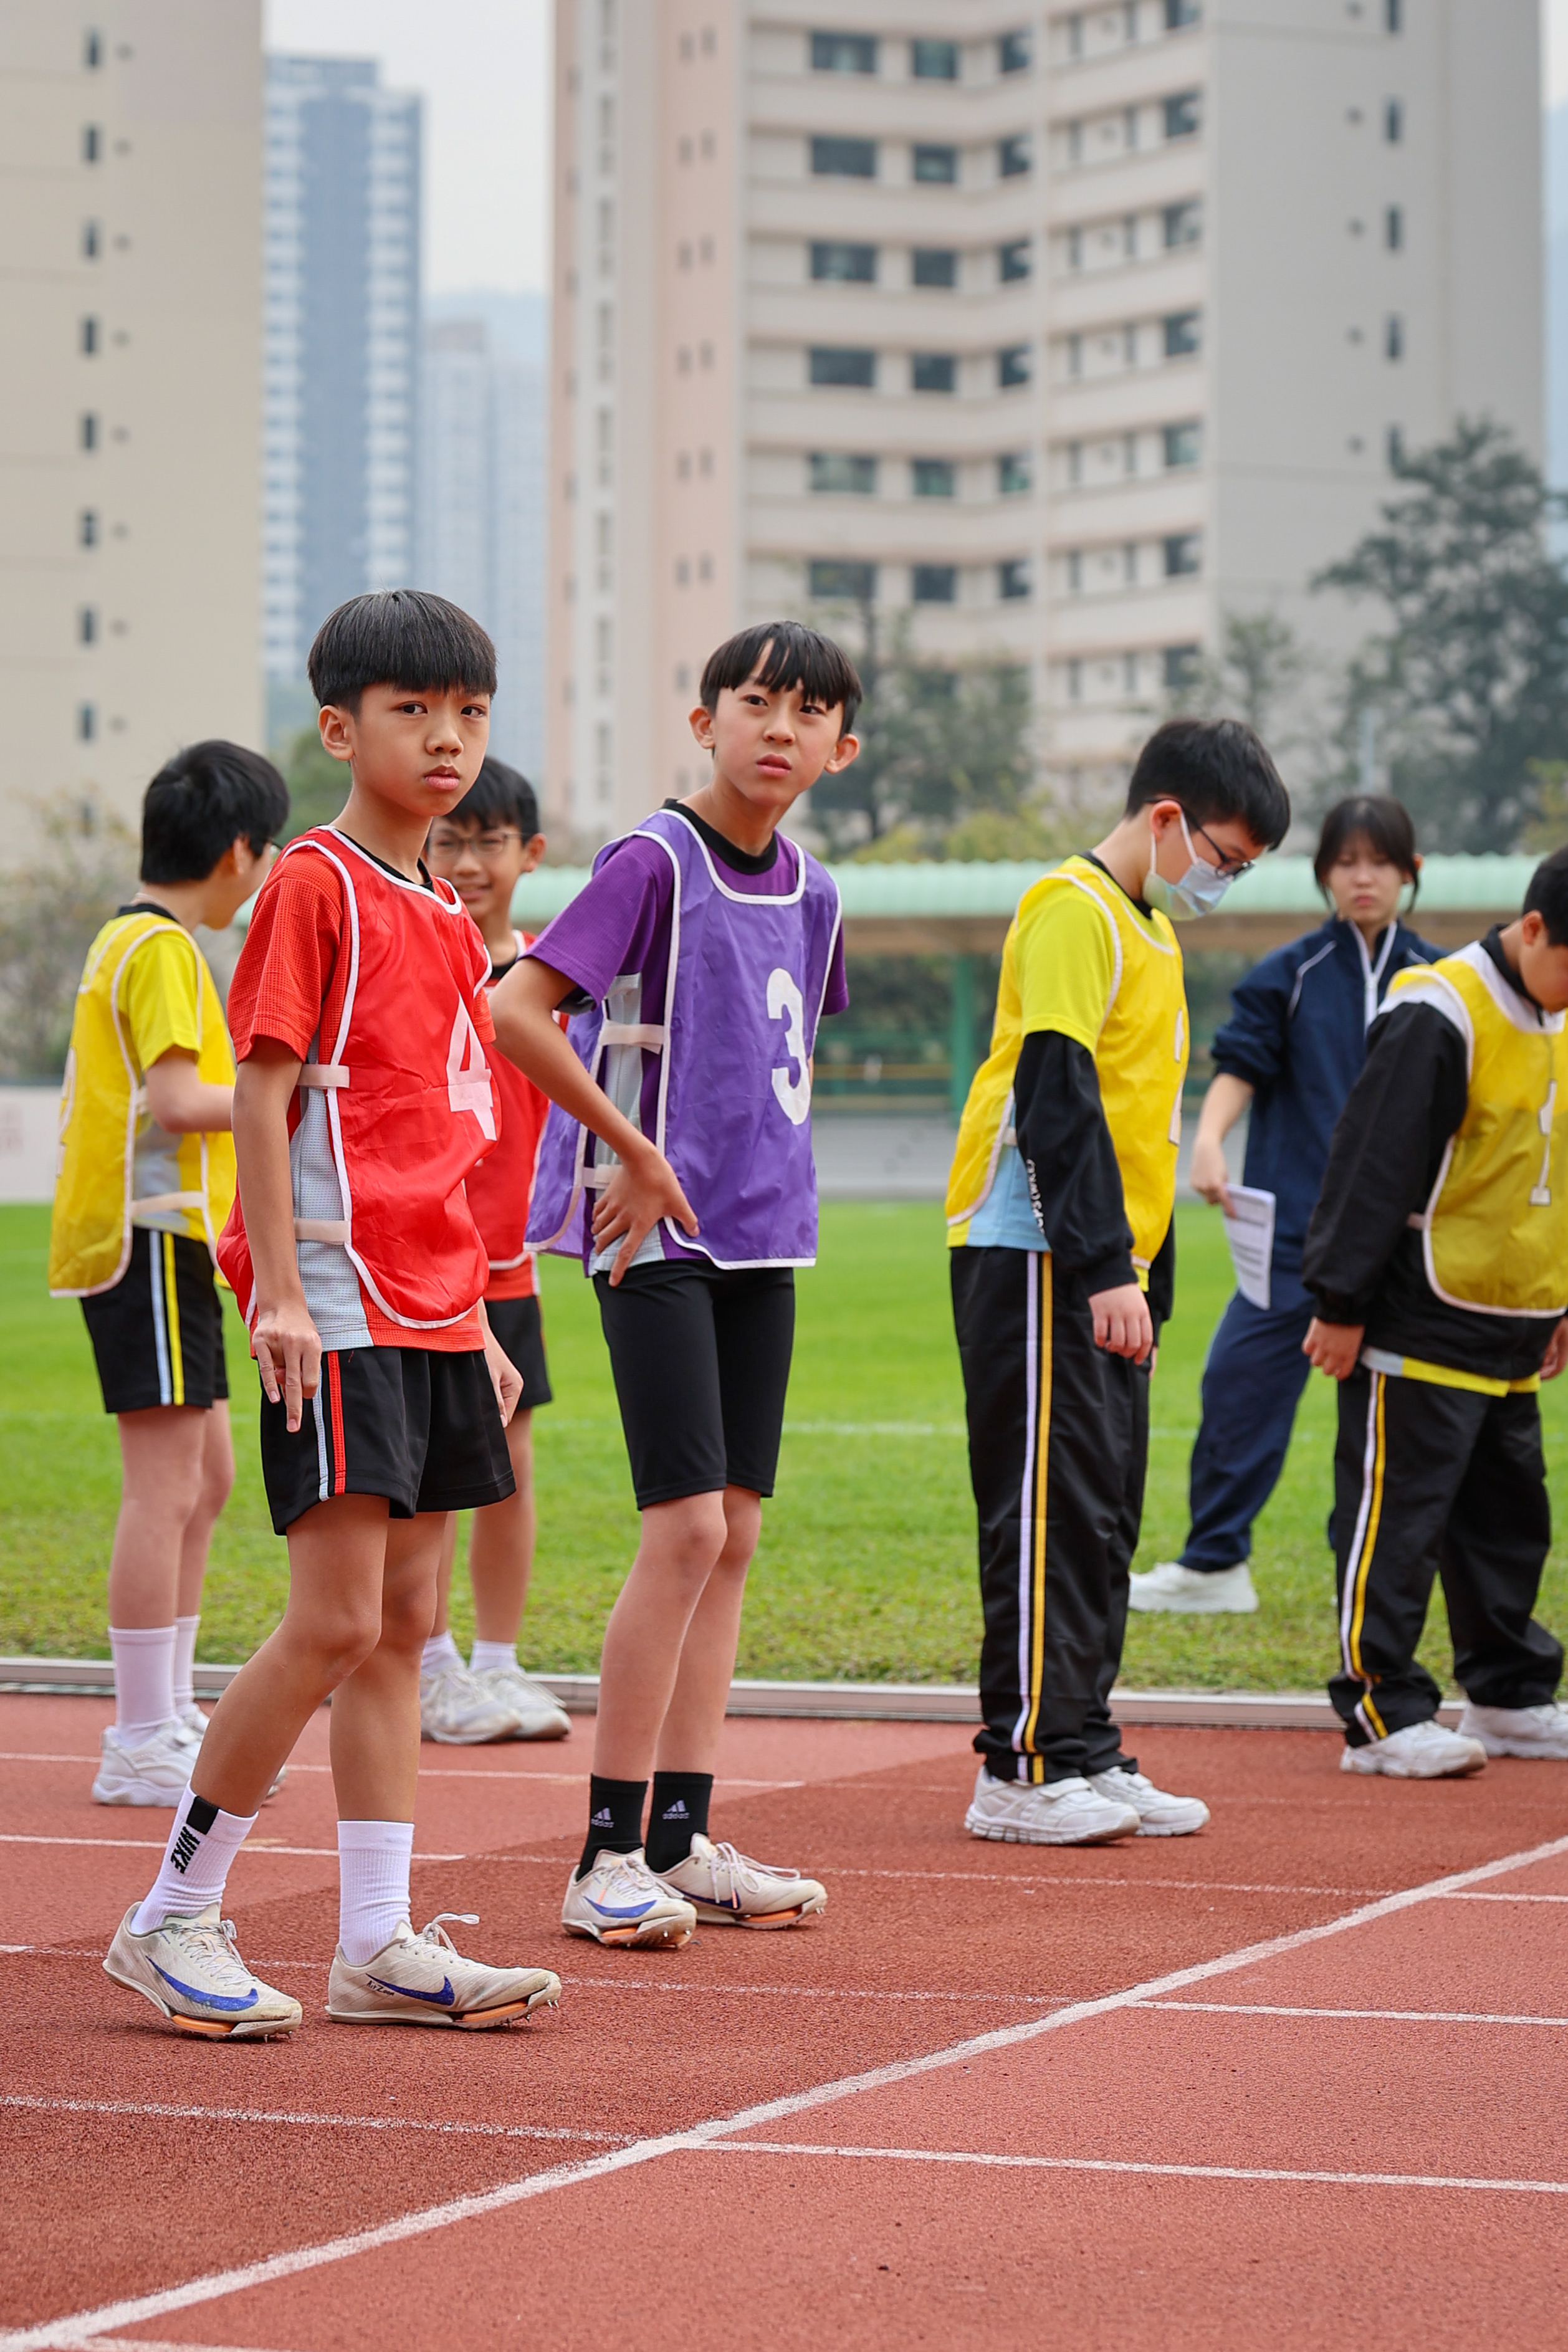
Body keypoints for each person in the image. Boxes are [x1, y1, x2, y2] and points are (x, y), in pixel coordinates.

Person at [102, 589, 560, 2037]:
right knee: (333, 1620)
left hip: (434, 1309)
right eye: (412, 711)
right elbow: (260, 1095)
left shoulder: (447, 916)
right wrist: (285, 1295)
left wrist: (475, 1325)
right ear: (339, 729)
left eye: (469, 713)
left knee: (407, 1623)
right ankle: (170, 1914)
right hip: (340, 1299)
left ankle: (377, 1943)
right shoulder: (314, 882)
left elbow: (441, 1135)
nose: (446, 739)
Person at [490, 620, 854, 1946]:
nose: (778, 727)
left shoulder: (816, 892)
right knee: (687, 1529)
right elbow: (518, 1011)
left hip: (763, 1236)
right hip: (651, 1232)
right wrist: (631, 1149)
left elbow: (776, 1052)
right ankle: (603, 1854)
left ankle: (683, 1838)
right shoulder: (653, 860)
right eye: (754, 701)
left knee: (735, 1534)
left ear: (841, 747)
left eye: (807, 711)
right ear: (705, 722)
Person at [946, 719, 1290, 1845]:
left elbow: (1146, 1124)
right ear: (1166, 817)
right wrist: (1099, 1265)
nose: (1223, 882)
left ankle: (1085, 1742)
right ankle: (1023, 1762)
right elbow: (1057, 1092)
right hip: (1037, 1250)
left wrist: (1145, 1272)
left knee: (1101, 1514)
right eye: (1224, 857)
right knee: (1047, 1508)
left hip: (1109, 1262)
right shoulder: (1072, 907)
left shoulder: (1152, 929)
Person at [1131, 795, 1437, 1617]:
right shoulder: (1288, 974)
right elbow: (1242, 1063)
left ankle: (1371, 1576)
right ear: (1323, 874)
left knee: (1393, 1420)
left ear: (1410, 873)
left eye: (1380, 862)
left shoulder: (1441, 980)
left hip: (1406, 1246)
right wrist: (1208, 1139)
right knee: (1237, 1386)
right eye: (1346, 862)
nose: (1363, 877)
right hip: (1293, 1234)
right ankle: (1214, 1565)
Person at [50, 743, 286, 1807]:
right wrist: (286, 1097)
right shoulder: (160, 948)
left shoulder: (145, 939)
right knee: (165, 1487)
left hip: (172, 1241)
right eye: (267, 853)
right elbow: (182, 1099)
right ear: (239, 851)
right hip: (145, 1236)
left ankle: (170, 1709)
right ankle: (140, 1732)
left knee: (208, 1477)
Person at [1301, 845, 1568, 1779]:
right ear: (1532, 928)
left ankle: (1509, 1695)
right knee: (1398, 1522)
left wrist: (1560, 1299)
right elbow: (1371, 1161)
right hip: (1417, 1321)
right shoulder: (1438, 1008)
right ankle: (1382, 1709)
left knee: (1510, 1519)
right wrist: (1340, 1301)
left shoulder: (1560, 1017)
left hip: (1515, 1321)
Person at [419, 757, 571, 1744]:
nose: (470, 861)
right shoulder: (423, 956)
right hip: (431, 1260)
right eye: (452, 841)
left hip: (510, 1263)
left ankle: (498, 1661)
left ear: (530, 852)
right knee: (438, 1471)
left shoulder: (551, 975)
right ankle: (431, 1666)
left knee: (511, 1460)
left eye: (490, 841)